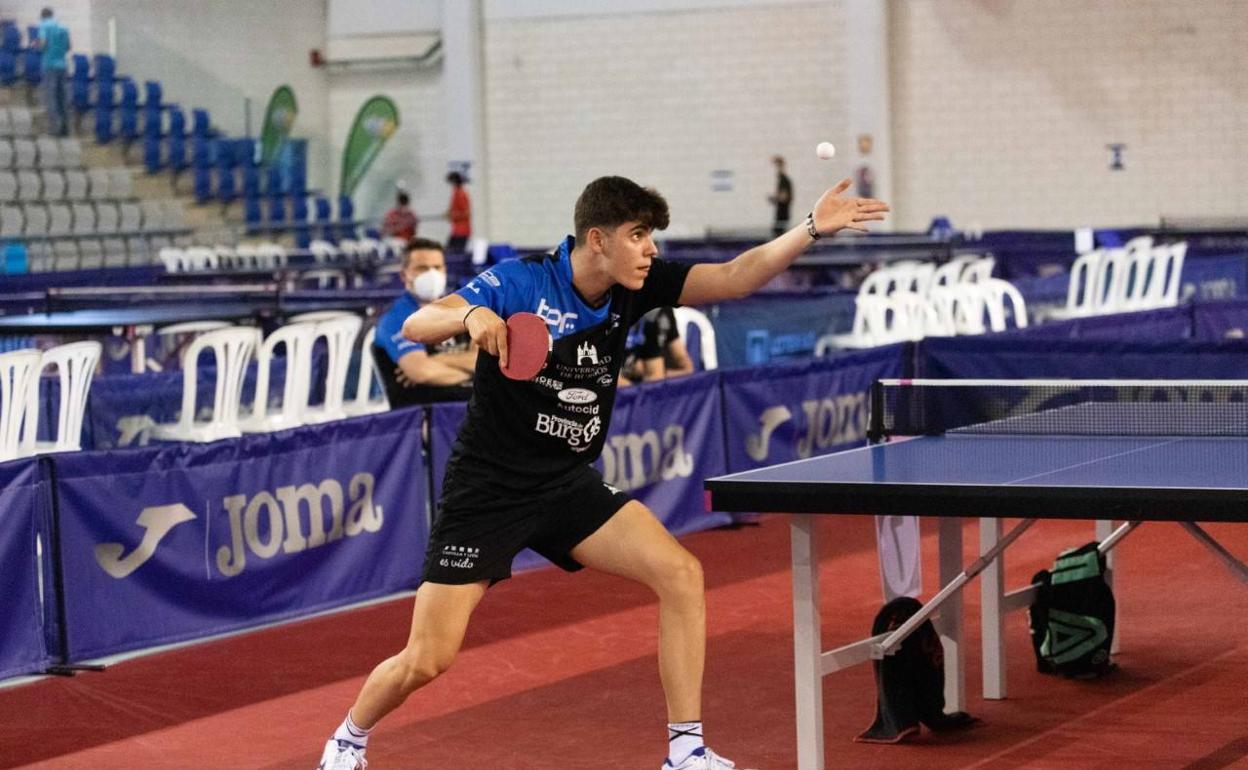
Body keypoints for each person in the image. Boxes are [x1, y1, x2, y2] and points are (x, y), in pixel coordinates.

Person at [316, 175, 888, 770]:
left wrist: (811, 228)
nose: (651, 250)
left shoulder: (633, 287)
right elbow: (418, 326)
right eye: (639, 235)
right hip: (488, 492)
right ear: (598, 239)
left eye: (651, 237)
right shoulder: (522, 280)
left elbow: (734, 277)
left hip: (566, 483)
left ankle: (685, 751)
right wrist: (475, 316)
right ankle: (348, 738)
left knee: (680, 574)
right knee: (428, 657)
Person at [372, 237, 475, 406]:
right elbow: (422, 371)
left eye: (437, 267)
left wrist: (437, 360)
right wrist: (473, 373)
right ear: (404, 275)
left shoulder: (463, 308)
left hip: (471, 410)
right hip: (424, 416)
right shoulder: (396, 319)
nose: (431, 274)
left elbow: (483, 362)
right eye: (422, 268)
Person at [621, 306, 694, 385]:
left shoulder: (656, 316)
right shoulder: (617, 311)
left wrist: (664, 374)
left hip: (638, 386)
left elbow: (656, 375)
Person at [35, 7, 71, 137]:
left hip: (49, 65)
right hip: (62, 65)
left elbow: (43, 43)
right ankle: (66, 128)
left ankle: (55, 129)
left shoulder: (44, 26)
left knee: (51, 98)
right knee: (62, 97)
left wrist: (35, 45)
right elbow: (68, 47)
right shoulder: (63, 27)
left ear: (42, 16)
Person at [444, 171, 471, 254]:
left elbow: (466, 213)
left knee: (454, 255)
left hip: (462, 231)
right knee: (448, 252)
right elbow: (454, 209)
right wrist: (448, 213)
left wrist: (453, 215)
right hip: (456, 230)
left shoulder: (461, 194)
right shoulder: (456, 193)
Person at [767, 155, 792, 237]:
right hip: (780, 214)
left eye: (776, 166)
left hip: (782, 215)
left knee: (778, 237)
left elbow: (784, 197)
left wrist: (774, 198)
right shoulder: (782, 180)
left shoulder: (784, 180)